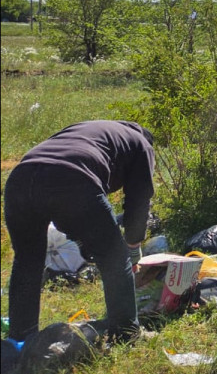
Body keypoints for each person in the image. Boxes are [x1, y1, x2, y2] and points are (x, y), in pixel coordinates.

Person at [3, 120, 155, 346]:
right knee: (115, 257)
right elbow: (139, 201)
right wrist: (133, 247)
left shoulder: (90, 130)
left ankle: (20, 339)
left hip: (20, 179)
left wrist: (84, 239)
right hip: (72, 178)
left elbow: (60, 205)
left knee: (27, 261)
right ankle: (127, 334)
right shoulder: (142, 144)